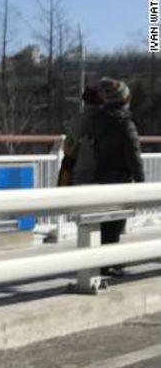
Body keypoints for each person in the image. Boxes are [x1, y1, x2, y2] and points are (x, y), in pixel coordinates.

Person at [89, 77, 144, 277]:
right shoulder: (124, 123)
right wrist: (141, 183)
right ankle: (108, 263)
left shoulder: (98, 120)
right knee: (116, 222)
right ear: (125, 100)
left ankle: (106, 260)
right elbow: (133, 155)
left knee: (104, 221)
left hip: (100, 174)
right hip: (120, 177)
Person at [57, 85, 101, 187]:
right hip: (100, 170)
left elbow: (68, 146)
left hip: (78, 168)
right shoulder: (105, 120)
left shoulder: (77, 120)